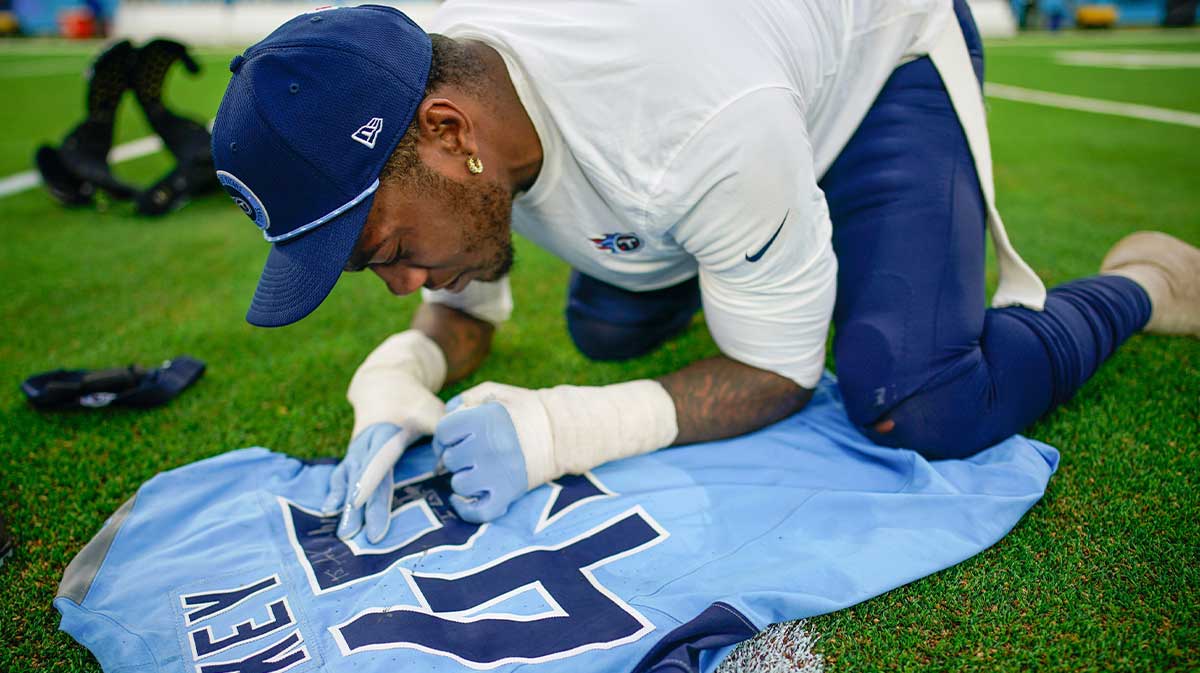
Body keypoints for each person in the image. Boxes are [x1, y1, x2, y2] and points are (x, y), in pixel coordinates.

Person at [210, 0, 1198, 542]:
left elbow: (777, 372)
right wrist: (401, 379)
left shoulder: (688, 124)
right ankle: (755, 240)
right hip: (730, 122)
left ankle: (1148, 283)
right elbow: (461, 310)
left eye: (381, 250)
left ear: (447, 135)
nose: (400, 284)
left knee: (917, 399)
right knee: (607, 328)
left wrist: (561, 425)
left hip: (872, 62)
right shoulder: (444, 81)